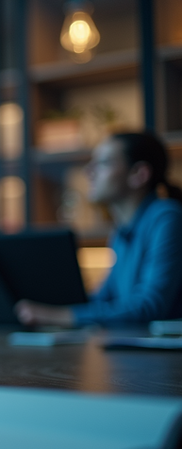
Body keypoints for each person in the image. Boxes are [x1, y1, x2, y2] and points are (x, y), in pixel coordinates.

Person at [15, 132, 182, 327]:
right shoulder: (122, 231)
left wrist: (59, 315)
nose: (89, 172)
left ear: (139, 174)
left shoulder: (167, 217)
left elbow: (149, 307)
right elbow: (105, 298)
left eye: (103, 163)